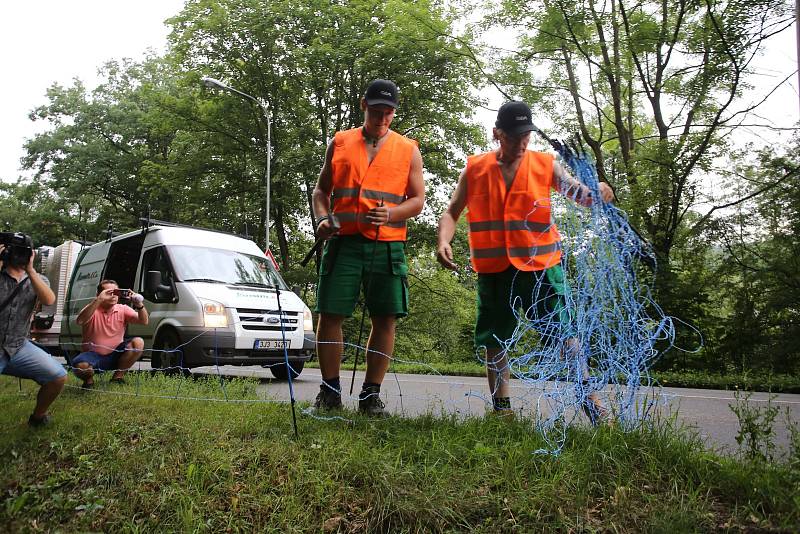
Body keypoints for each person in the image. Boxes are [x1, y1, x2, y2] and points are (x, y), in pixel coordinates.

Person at [436, 100, 614, 420]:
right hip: (494, 271)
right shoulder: (475, 169)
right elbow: (451, 211)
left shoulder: (546, 165)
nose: (521, 142)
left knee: (565, 334)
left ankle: (593, 404)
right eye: (513, 136)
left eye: (526, 135)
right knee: (495, 338)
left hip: (542, 268)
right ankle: (501, 411)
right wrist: (443, 240)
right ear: (497, 134)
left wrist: (598, 192)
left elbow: (580, 195)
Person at [311, 79, 425, 415]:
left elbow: (417, 201)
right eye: (376, 110)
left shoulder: (408, 149)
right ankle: (330, 392)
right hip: (343, 242)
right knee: (331, 313)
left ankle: (370, 396)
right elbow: (321, 193)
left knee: (385, 317)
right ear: (364, 105)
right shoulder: (341, 142)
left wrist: (391, 213)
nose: (382, 117)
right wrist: (322, 219)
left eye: (388, 111)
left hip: (387, 245)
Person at [0, 236, 67, 427]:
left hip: (18, 346)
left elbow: (49, 300)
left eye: (25, 252)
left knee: (57, 377)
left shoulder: (37, 279)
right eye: (16, 251)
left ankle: (38, 417)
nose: (20, 256)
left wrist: (30, 269)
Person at [71, 280, 148, 388]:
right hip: (93, 357)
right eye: (109, 292)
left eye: (116, 292)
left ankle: (117, 378)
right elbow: (80, 321)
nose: (113, 296)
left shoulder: (122, 309)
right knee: (81, 366)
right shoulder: (92, 308)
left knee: (138, 342)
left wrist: (139, 304)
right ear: (99, 294)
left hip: (116, 354)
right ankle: (89, 382)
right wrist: (99, 300)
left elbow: (144, 321)